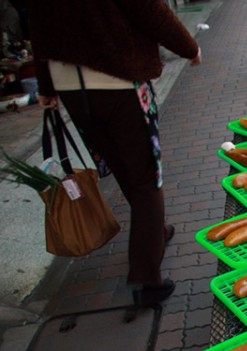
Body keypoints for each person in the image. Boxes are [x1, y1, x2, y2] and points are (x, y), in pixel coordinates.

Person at [26, 0, 202, 305]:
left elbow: (38, 26)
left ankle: (155, 232)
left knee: (123, 167)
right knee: (146, 175)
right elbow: (149, 10)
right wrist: (189, 47)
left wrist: (46, 85)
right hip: (119, 79)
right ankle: (149, 280)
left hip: (71, 88)